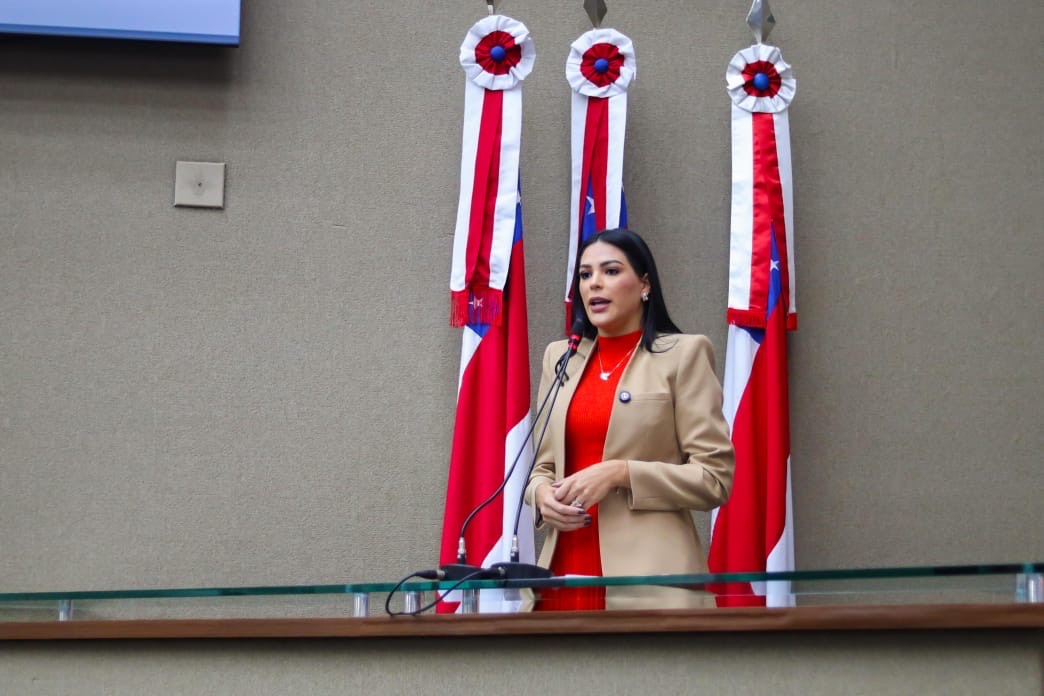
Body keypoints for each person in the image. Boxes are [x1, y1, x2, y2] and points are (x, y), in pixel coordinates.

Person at [524, 228, 735, 610]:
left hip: (650, 584)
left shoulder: (683, 354)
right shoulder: (561, 357)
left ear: (644, 285)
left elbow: (714, 478)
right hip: (564, 574)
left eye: (610, 271)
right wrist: (539, 495)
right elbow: (544, 465)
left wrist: (621, 473)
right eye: (585, 275)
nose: (595, 284)